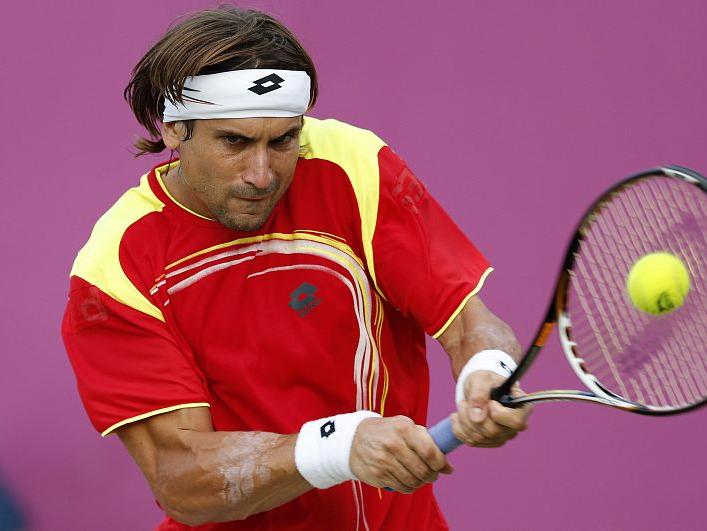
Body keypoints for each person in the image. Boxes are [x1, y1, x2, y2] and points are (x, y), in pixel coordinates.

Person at [62, 6, 532, 530]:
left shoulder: (352, 167)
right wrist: (337, 446)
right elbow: (180, 478)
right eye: (234, 142)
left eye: (283, 139)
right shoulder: (115, 270)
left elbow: (471, 325)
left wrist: (489, 372)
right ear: (174, 128)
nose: (262, 175)